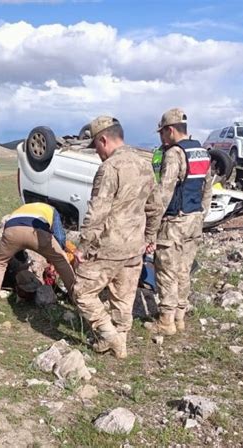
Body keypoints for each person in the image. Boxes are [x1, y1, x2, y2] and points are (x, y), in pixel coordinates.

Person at [73, 116, 163, 359]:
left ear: (104, 140)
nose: (97, 153)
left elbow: (97, 211)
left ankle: (109, 335)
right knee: (123, 296)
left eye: (96, 147)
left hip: (109, 244)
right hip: (135, 244)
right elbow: (155, 206)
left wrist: (82, 246)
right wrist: (150, 236)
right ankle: (119, 342)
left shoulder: (109, 168)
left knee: (82, 292)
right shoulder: (144, 164)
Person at [145, 108, 212, 335]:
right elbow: (207, 188)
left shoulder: (174, 153)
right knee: (184, 270)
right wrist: (201, 214)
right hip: (194, 218)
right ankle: (180, 317)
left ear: (170, 130)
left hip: (175, 221)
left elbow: (164, 192)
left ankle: (165, 321)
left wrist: (151, 230)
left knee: (166, 271)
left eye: (162, 133)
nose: (161, 138)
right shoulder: (201, 152)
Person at [0, 202, 75, 298]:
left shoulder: (23, 208)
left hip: (11, 229)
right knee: (61, 262)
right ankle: (75, 296)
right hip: (37, 231)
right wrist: (57, 253)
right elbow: (60, 237)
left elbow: (10, 232)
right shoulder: (52, 210)